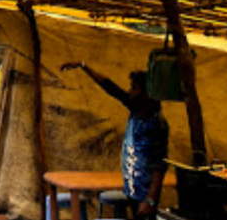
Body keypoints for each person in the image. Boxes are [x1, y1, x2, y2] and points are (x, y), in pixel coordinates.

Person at [61, 62, 169, 218]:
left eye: (135, 88)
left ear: (147, 94)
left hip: (144, 194)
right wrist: (84, 66)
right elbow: (111, 88)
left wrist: (151, 200)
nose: (130, 92)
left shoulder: (155, 124)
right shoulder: (136, 110)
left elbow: (160, 165)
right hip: (133, 189)